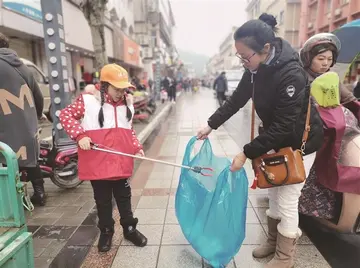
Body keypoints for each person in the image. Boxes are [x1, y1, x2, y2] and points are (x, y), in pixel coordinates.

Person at [197, 13, 324, 268]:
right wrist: (210, 124)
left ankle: (285, 257)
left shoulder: (291, 74)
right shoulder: (254, 69)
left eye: (246, 57)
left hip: (300, 143)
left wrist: (245, 152)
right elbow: (237, 99)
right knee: (274, 192)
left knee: (288, 198)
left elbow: (283, 126)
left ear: (266, 49)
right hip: (276, 140)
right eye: (239, 56)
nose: (243, 62)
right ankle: (273, 240)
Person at [59, 64, 147, 252]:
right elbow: (65, 115)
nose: (120, 92)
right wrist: (80, 135)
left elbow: (129, 131)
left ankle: (130, 229)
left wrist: (137, 147)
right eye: (117, 88)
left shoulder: (127, 105)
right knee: (103, 200)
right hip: (98, 164)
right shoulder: (88, 101)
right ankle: (106, 232)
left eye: (124, 88)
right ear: (105, 85)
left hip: (121, 163)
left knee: (124, 198)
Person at [298, 33, 360, 222]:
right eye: (321, 58)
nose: (325, 63)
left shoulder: (332, 79)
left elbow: (349, 99)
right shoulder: (299, 78)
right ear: (309, 58)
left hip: (337, 135)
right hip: (310, 137)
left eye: (329, 59)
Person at [0, 32, 47, 206]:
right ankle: (40, 193)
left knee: (7, 161)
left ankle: (13, 201)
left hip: (5, 126)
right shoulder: (23, 66)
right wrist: (34, 117)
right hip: (27, 125)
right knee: (30, 159)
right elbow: (38, 96)